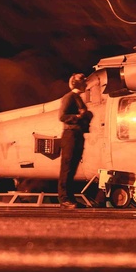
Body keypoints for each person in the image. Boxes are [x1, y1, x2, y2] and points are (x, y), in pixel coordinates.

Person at [57, 73, 91, 209]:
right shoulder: (69, 97)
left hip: (77, 135)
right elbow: (62, 116)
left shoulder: (77, 98)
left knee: (72, 169)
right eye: (83, 81)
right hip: (70, 135)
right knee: (67, 168)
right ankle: (64, 199)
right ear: (76, 83)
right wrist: (78, 117)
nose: (86, 83)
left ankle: (70, 198)